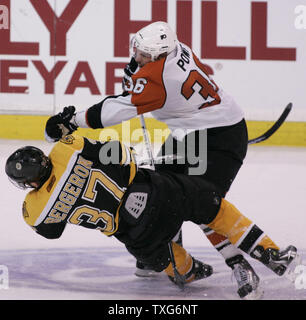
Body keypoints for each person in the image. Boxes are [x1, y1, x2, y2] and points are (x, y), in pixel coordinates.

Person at [42, 21, 280, 298]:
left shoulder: (160, 78)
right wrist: (137, 80)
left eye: (144, 55)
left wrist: (72, 120)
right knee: (164, 193)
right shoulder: (177, 49)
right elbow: (144, 89)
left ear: (158, 56)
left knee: (203, 204)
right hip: (195, 132)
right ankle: (169, 249)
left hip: (219, 138)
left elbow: (113, 112)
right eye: (137, 50)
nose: (137, 57)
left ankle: (240, 265)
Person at [5, 134, 298, 300]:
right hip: (157, 192)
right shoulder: (65, 148)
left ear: (28, 182)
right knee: (214, 209)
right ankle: (270, 253)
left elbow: (51, 232)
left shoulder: (35, 208)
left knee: (170, 264)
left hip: (137, 234)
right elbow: (118, 151)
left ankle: (190, 270)